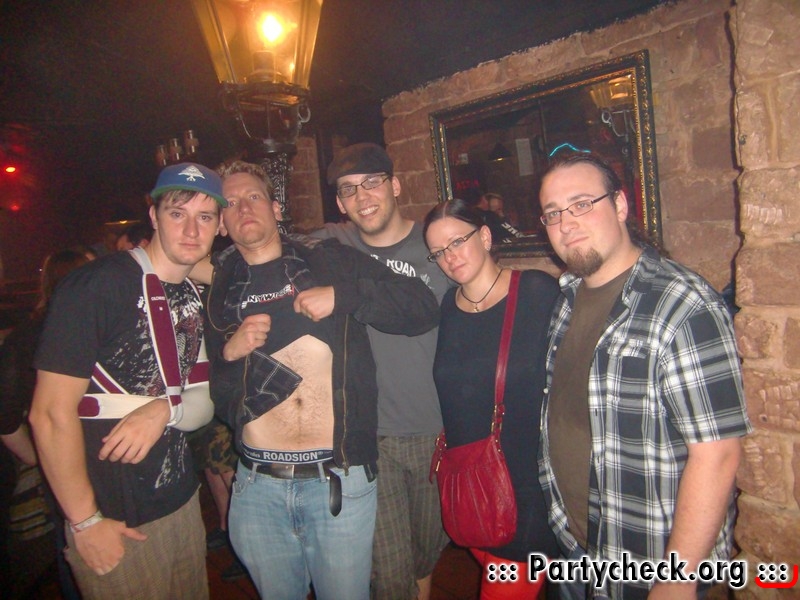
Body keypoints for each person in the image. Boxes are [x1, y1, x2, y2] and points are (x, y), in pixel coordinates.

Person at [204, 159, 440, 600]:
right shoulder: (219, 291)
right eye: (230, 203)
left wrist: (344, 296)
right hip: (257, 485)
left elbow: (421, 307)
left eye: (253, 196)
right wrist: (229, 355)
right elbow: (219, 394)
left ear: (276, 207)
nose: (244, 208)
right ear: (220, 223)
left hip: (337, 479)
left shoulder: (330, 260)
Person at [536, 153, 752, 599]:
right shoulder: (566, 301)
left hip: (650, 562)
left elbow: (718, 454)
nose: (566, 223)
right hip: (575, 546)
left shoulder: (682, 305)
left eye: (581, 204)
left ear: (619, 205)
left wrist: (677, 580)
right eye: (553, 213)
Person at [29, 162, 226, 600]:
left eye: (205, 217)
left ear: (219, 226)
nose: (191, 230)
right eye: (177, 213)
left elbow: (201, 394)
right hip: (113, 519)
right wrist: (85, 521)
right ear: (153, 216)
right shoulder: (95, 286)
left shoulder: (191, 294)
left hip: (179, 502)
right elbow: (49, 414)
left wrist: (163, 410)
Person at [313, 143, 451, 600]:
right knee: (389, 574)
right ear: (339, 203)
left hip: (436, 431)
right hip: (369, 436)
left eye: (372, 182)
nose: (362, 197)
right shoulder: (336, 245)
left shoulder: (435, 244)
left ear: (395, 186)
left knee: (425, 556)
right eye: (348, 189)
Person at [423, 198, 561, 599]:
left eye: (457, 242)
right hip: (469, 486)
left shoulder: (535, 290)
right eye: (438, 251)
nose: (449, 257)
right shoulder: (448, 306)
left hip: (524, 489)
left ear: (484, 236)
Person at [0, 249, 90, 600]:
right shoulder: (57, 333)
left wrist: (38, 456)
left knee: (71, 540)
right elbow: (6, 417)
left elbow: (7, 419)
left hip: (69, 456)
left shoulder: (26, 334)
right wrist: (38, 456)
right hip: (82, 455)